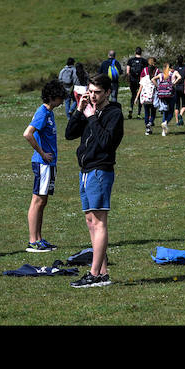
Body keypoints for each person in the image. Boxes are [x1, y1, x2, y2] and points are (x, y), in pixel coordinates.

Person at [65, 73, 125, 288]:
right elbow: (70, 134)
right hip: (86, 171)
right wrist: (80, 111)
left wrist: (91, 117)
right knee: (90, 221)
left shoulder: (114, 114)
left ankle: (95, 274)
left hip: (100, 171)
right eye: (90, 92)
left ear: (108, 92)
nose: (92, 96)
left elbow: (106, 143)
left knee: (99, 222)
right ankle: (102, 271)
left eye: (97, 93)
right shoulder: (89, 109)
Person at [22, 79, 66, 252]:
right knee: (37, 201)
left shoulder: (49, 113)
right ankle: (33, 241)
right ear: (53, 97)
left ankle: (39, 238)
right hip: (43, 164)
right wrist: (42, 153)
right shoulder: (42, 112)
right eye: (61, 97)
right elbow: (27, 134)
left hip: (49, 164)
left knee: (43, 201)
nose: (63, 100)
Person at [136, 57, 158, 135]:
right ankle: (150, 122)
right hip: (153, 95)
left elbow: (141, 85)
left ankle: (147, 128)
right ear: (154, 63)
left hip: (145, 95)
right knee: (153, 112)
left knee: (146, 112)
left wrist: (136, 98)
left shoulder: (144, 71)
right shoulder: (157, 71)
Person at [126, 47, 149, 119]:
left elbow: (127, 72)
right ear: (141, 52)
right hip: (141, 80)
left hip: (132, 80)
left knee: (133, 95)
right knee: (140, 96)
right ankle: (139, 114)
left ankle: (131, 109)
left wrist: (129, 79)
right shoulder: (144, 61)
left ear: (135, 52)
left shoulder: (130, 60)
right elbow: (146, 72)